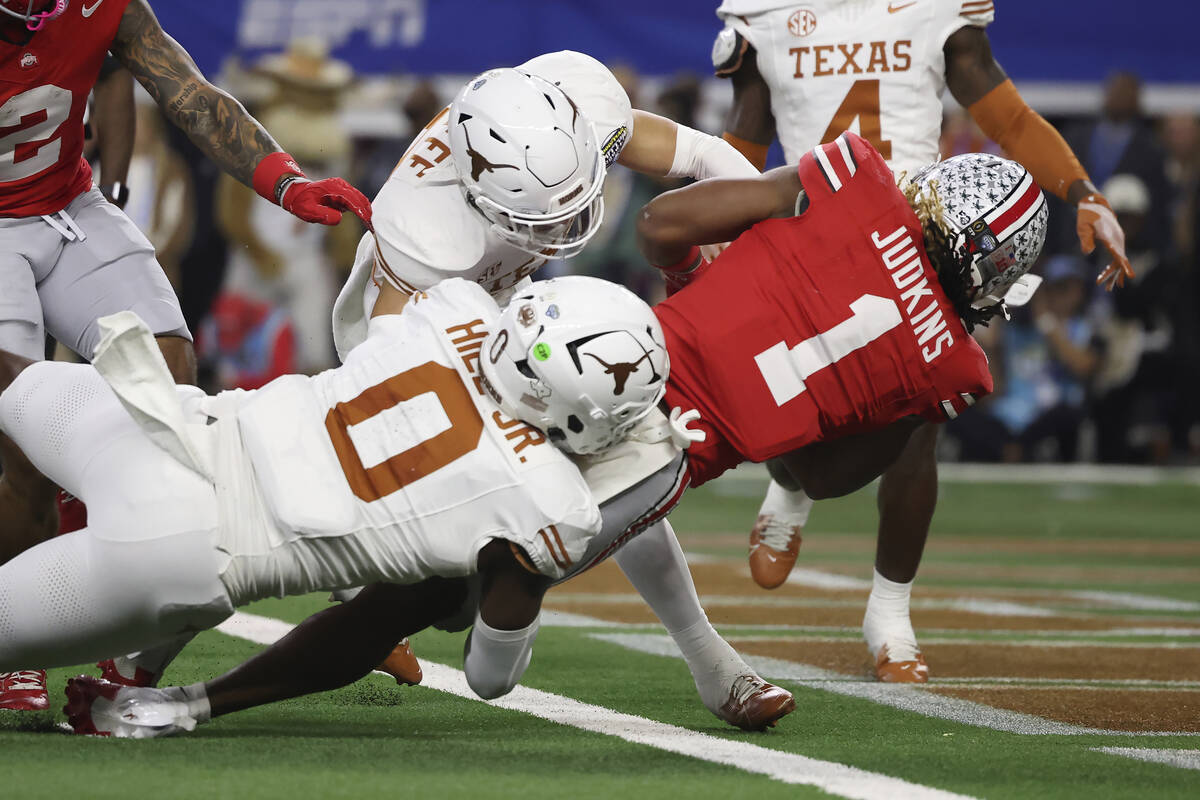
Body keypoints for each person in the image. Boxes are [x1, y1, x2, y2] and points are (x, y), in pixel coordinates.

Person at [89, 134, 1049, 740]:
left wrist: (767, 217)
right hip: (662, 446)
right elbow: (806, 465)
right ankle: (198, 698)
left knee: (320, 483)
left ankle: (157, 646)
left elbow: (667, 222)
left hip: (592, 344)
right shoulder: (952, 368)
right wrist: (905, 395)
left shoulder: (849, 183)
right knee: (433, 591)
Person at [318, 53, 796, 725]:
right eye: (543, 220)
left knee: (623, 452)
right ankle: (372, 593)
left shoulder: (581, 100)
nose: (565, 231)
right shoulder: (424, 237)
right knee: (434, 509)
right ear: (477, 196)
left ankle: (712, 661)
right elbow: (390, 381)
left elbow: (704, 156)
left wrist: (773, 245)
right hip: (428, 324)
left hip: (514, 297)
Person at [0, 274, 678, 731]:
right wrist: (516, 576)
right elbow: (491, 675)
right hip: (177, 550)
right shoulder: (548, 502)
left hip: (162, 426)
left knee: (11, 377)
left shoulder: (457, 309)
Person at [709, 0, 1128, 681]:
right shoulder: (771, 10)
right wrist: (720, 230)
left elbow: (1007, 117)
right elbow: (742, 144)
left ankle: (890, 612)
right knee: (784, 399)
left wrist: (1083, 191)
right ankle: (788, 492)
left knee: (917, 423)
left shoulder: (933, 8)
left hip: (923, 237)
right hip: (810, 234)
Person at [0, 0, 371, 711]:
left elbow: (190, 95)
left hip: (66, 207)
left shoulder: (101, 6)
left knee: (171, 383)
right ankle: (14, 645)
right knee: (23, 452)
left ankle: (124, 623)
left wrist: (283, 179)